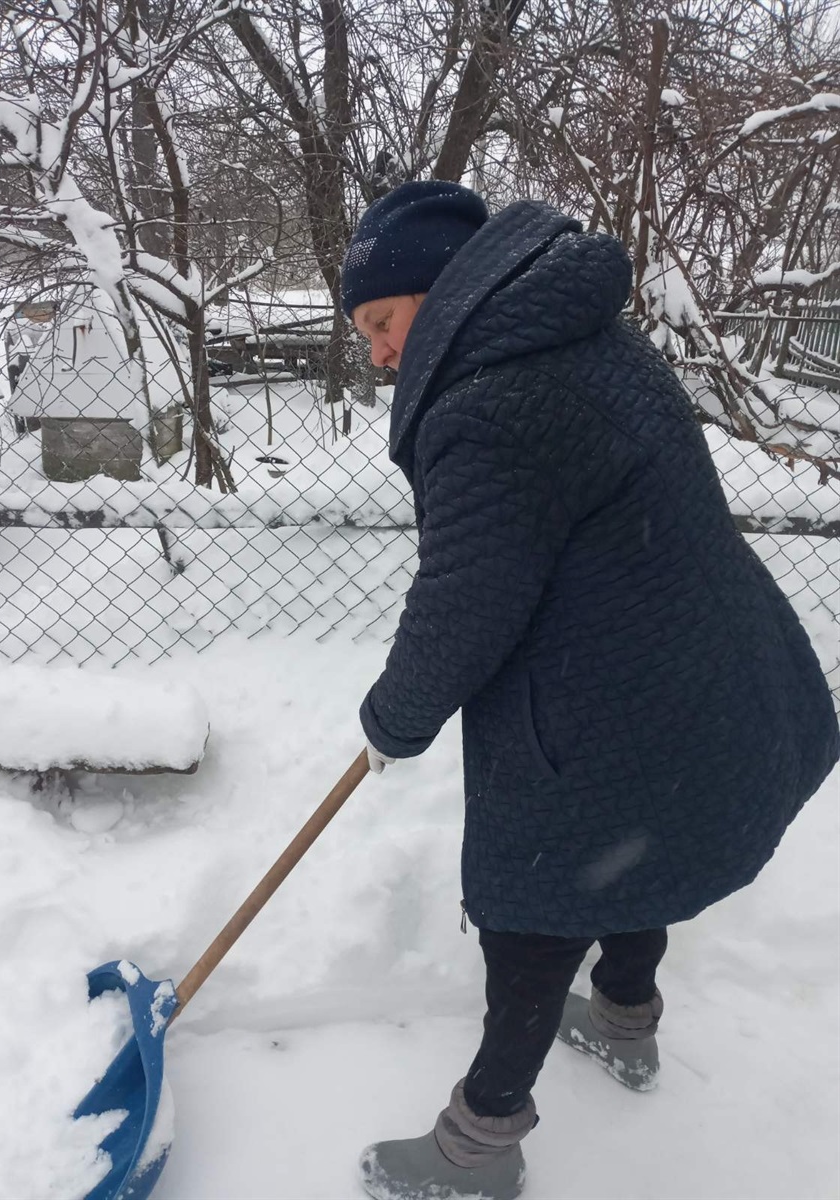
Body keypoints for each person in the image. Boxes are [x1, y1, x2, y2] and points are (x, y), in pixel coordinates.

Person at [341, 180, 840, 1200]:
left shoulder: (489, 405)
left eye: (383, 323)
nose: (381, 355)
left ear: (440, 290)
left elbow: (464, 606)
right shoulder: (584, 335)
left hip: (612, 696)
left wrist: (393, 719)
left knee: (537, 906)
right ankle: (624, 1019)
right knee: (632, 849)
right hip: (695, 672)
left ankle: (479, 1146)